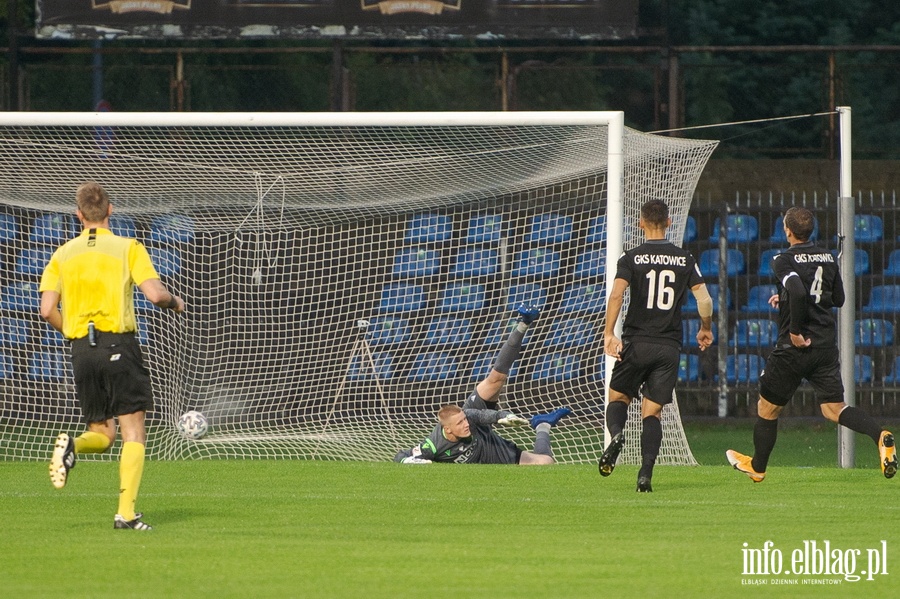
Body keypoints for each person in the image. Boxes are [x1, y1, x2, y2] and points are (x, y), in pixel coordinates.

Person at [40, 181, 186, 531]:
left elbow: (46, 310)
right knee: (132, 431)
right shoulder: (127, 247)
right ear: (110, 210)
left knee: (102, 434)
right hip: (118, 344)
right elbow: (155, 295)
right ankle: (126, 514)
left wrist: (75, 334)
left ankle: (73, 444)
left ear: (78, 214)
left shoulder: (62, 254)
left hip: (80, 349)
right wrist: (176, 302)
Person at [726, 206, 897, 481]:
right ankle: (880, 436)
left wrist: (794, 330)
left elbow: (796, 289)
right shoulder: (827, 257)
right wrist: (785, 299)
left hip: (794, 348)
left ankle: (758, 468)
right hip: (824, 346)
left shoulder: (783, 259)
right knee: (834, 409)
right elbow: (837, 298)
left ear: (787, 230)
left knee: (767, 408)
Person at [599, 199, 714, 492]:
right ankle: (645, 474)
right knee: (652, 413)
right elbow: (705, 300)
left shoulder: (631, 257)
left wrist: (609, 334)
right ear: (669, 223)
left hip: (636, 343)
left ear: (640, 223)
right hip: (668, 347)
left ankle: (616, 436)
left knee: (618, 398)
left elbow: (616, 296)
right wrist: (705, 328)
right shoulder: (685, 258)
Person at [394, 305, 571, 465]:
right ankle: (543, 425)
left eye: (464, 419)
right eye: (460, 423)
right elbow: (400, 456)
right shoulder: (433, 445)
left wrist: (503, 416)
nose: (465, 424)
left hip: (482, 433)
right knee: (545, 463)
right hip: (493, 453)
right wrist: (409, 461)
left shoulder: (469, 416)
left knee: (495, 379)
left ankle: (523, 324)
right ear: (447, 429)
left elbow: (484, 415)